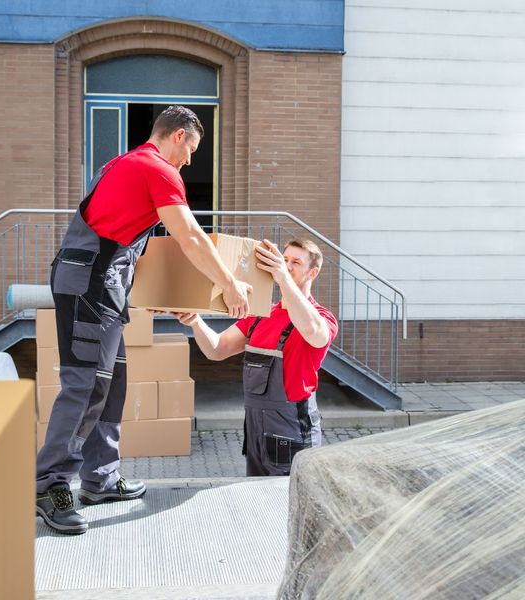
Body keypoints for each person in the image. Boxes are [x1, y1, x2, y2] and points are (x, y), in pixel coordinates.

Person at [36, 105, 252, 535]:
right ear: (176, 136)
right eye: (191, 148)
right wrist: (229, 283)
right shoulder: (156, 169)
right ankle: (49, 484)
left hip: (105, 282)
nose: (191, 160)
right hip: (90, 284)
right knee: (86, 384)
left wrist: (158, 294)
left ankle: (100, 478)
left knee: (112, 382)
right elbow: (188, 235)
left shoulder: (125, 164)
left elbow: (134, 241)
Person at [176, 238, 338, 476]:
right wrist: (195, 322)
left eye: (295, 262)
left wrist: (282, 277)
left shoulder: (322, 318)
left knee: (289, 501)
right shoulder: (261, 314)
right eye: (284, 260)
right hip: (256, 429)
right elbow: (217, 349)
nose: (286, 265)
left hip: (292, 429)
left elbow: (314, 333)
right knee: (259, 500)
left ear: (312, 272)